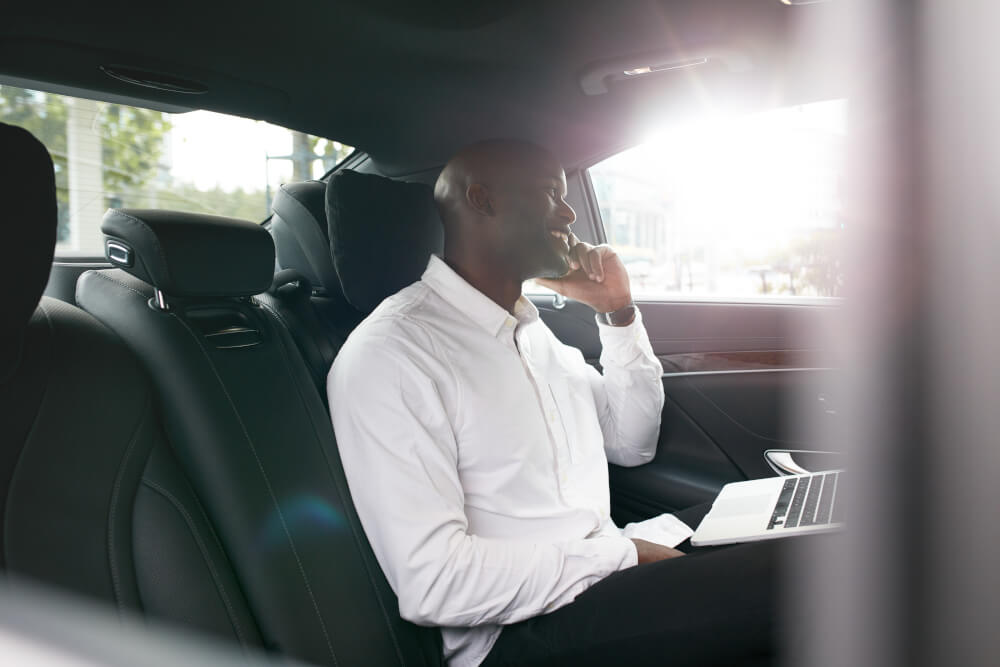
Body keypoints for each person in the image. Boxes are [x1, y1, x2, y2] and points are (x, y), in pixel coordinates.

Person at [328, 140, 776, 667]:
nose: (569, 213)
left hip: (600, 572)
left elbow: (632, 444)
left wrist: (617, 312)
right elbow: (436, 583)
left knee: (787, 522)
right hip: (518, 633)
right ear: (482, 200)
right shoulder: (396, 354)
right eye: (550, 194)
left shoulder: (533, 333)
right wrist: (622, 555)